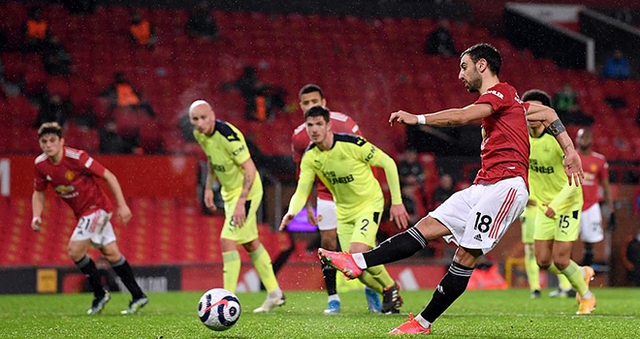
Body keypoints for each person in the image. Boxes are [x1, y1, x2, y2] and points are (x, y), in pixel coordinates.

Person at [319, 43, 584, 334]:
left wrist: (417, 119)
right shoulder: (512, 106)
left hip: (507, 186)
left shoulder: (501, 92)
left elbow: (461, 116)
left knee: (465, 255)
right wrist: (570, 150)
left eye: (464, 66)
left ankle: (422, 322)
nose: (460, 75)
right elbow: (546, 113)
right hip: (483, 185)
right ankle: (356, 262)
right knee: (427, 226)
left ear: (482, 65)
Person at [281, 106, 410, 314]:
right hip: (343, 211)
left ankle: (390, 287)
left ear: (328, 125)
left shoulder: (352, 144)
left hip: (369, 204)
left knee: (358, 253)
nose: (314, 129)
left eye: (319, 124)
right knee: (353, 268)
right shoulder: (310, 157)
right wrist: (292, 211)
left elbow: (388, 162)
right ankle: (389, 291)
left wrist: (397, 201)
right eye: (310, 125)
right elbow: (302, 190)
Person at [31, 122, 148, 315]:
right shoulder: (41, 165)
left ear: (61, 141)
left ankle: (100, 294)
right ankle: (138, 295)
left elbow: (109, 176)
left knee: (74, 250)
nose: (48, 145)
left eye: (52, 140)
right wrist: (36, 215)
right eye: (44, 141)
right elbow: (39, 192)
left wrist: (123, 205)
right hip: (83, 213)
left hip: (97, 208)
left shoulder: (77, 157)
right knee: (111, 254)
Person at [290, 84, 381, 314]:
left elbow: (366, 158)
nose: (311, 106)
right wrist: (309, 206)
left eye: (315, 102)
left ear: (324, 101)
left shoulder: (345, 124)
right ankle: (333, 297)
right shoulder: (300, 137)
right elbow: (303, 176)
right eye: (306, 103)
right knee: (328, 245)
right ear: (301, 106)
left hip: (355, 194)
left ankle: (373, 289)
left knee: (362, 246)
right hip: (325, 195)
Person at [189, 100, 285, 313]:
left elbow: (250, 169)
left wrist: (242, 200)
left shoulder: (228, 135)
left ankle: (225, 299)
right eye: (195, 119)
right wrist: (207, 188)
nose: (200, 123)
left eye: (203, 117)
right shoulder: (199, 135)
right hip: (229, 193)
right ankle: (275, 293)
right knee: (250, 243)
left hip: (247, 191)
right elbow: (212, 160)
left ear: (212, 115)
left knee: (227, 240)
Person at [523, 90, 597, 309]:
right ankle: (582, 272)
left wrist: (556, 205)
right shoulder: (523, 141)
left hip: (566, 204)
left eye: (537, 109)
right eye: (528, 109)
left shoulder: (557, 142)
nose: (532, 114)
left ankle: (586, 297)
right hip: (544, 207)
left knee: (561, 260)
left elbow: (575, 179)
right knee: (543, 261)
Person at [576, 127, 614, 267]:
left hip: (591, 206)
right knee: (566, 241)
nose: (584, 140)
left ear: (592, 140)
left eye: (587, 137)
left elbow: (605, 186)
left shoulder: (599, 160)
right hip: (572, 205)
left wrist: (611, 210)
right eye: (581, 137)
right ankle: (567, 279)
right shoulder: (571, 157)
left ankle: (585, 275)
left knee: (590, 243)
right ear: (576, 139)